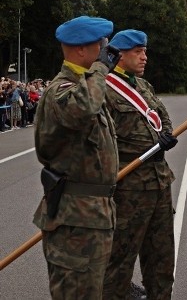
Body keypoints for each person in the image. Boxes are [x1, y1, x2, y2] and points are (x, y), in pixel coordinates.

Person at [32, 15, 120, 298]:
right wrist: (100, 70)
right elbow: (81, 109)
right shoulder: (63, 90)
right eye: (100, 45)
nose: (104, 51)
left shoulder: (86, 85)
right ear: (81, 49)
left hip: (92, 217)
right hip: (75, 223)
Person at [103, 29, 178, 300]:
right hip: (128, 190)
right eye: (138, 52)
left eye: (145, 51)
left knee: (161, 261)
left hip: (159, 183)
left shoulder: (143, 86)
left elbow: (163, 118)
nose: (144, 57)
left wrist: (164, 138)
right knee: (118, 264)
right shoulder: (104, 90)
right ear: (119, 55)